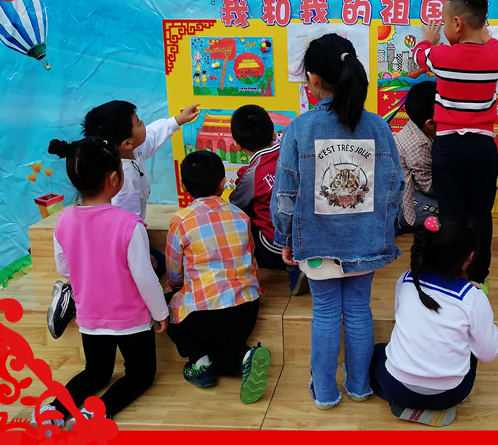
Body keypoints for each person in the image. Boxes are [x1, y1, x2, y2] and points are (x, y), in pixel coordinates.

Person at [271, 33, 403, 410]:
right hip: (366, 241)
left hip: (317, 243)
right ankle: (360, 386)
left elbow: (285, 194)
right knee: (359, 309)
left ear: (313, 79)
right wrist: (383, 229)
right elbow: (395, 187)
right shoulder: (379, 127)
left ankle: (326, 391)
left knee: (326, 312)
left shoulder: (300, 128)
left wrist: (285, 238)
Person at [31, 137, 168, 431]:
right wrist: (161, 313)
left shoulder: (63, 221)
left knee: (96, 371)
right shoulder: (129, 224)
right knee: (140, 374)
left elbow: (64, 267)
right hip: (131, 321)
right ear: (114, 179)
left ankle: (53, 410)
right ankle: (95, 415)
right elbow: (145, 277)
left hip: (90, 318)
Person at [46, 100, 200, 340]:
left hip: (113, 238)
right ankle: (73, 295)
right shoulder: (123, 183)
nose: (144, 124)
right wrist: (143, 256)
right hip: (115, 244)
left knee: (151, 261)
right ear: (126, 143)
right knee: (153, 264)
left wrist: (177, 121)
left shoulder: (128, 151)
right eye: (139, 122)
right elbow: (125, 227)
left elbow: (151, 137)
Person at [412, 0, 498, 285]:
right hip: (483, 148)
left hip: (448, 147)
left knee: (451, 215)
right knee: (481, 215)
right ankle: (479, 277)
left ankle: (452, 274)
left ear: (457, 23)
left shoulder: (439, 56)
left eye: (444, 21)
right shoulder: (497, 57)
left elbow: (419, 55)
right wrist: (485, 34)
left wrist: (428, 40)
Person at [370, 219, 498, 427]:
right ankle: (431, 408)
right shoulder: (473, 297)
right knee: (473, 346)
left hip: (397, 388)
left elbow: (399, 317)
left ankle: (405, 405)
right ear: (469, 258)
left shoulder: (406, 280)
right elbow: (488, 354)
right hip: (451, 394)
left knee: (377, 352)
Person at [165, 150, 270, 403]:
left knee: (165, 307)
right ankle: (245, 357)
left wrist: (177, 287)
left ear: (184, 186)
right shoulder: (241, 215)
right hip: (247, 305)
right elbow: (251, 259)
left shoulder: (181, 221)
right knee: (222, 349)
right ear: (224, 182)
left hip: (205, 313)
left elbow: (174, 270)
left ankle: (199, 362)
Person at [229, 104, 308, 295]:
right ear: (274, 134)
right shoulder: (295, 153)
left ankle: (291, 269)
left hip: (275, 245)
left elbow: (235, 205)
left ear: (237, 146)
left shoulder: (251, 173)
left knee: (241, 218)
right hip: (310, 234)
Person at [395, 81, 438, 229]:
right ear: (430, 124)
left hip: (417, 190)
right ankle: (402, 222)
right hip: (407, 201)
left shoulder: (418, 124)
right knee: (455, 212)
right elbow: (429, 187)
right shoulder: (419, 146)